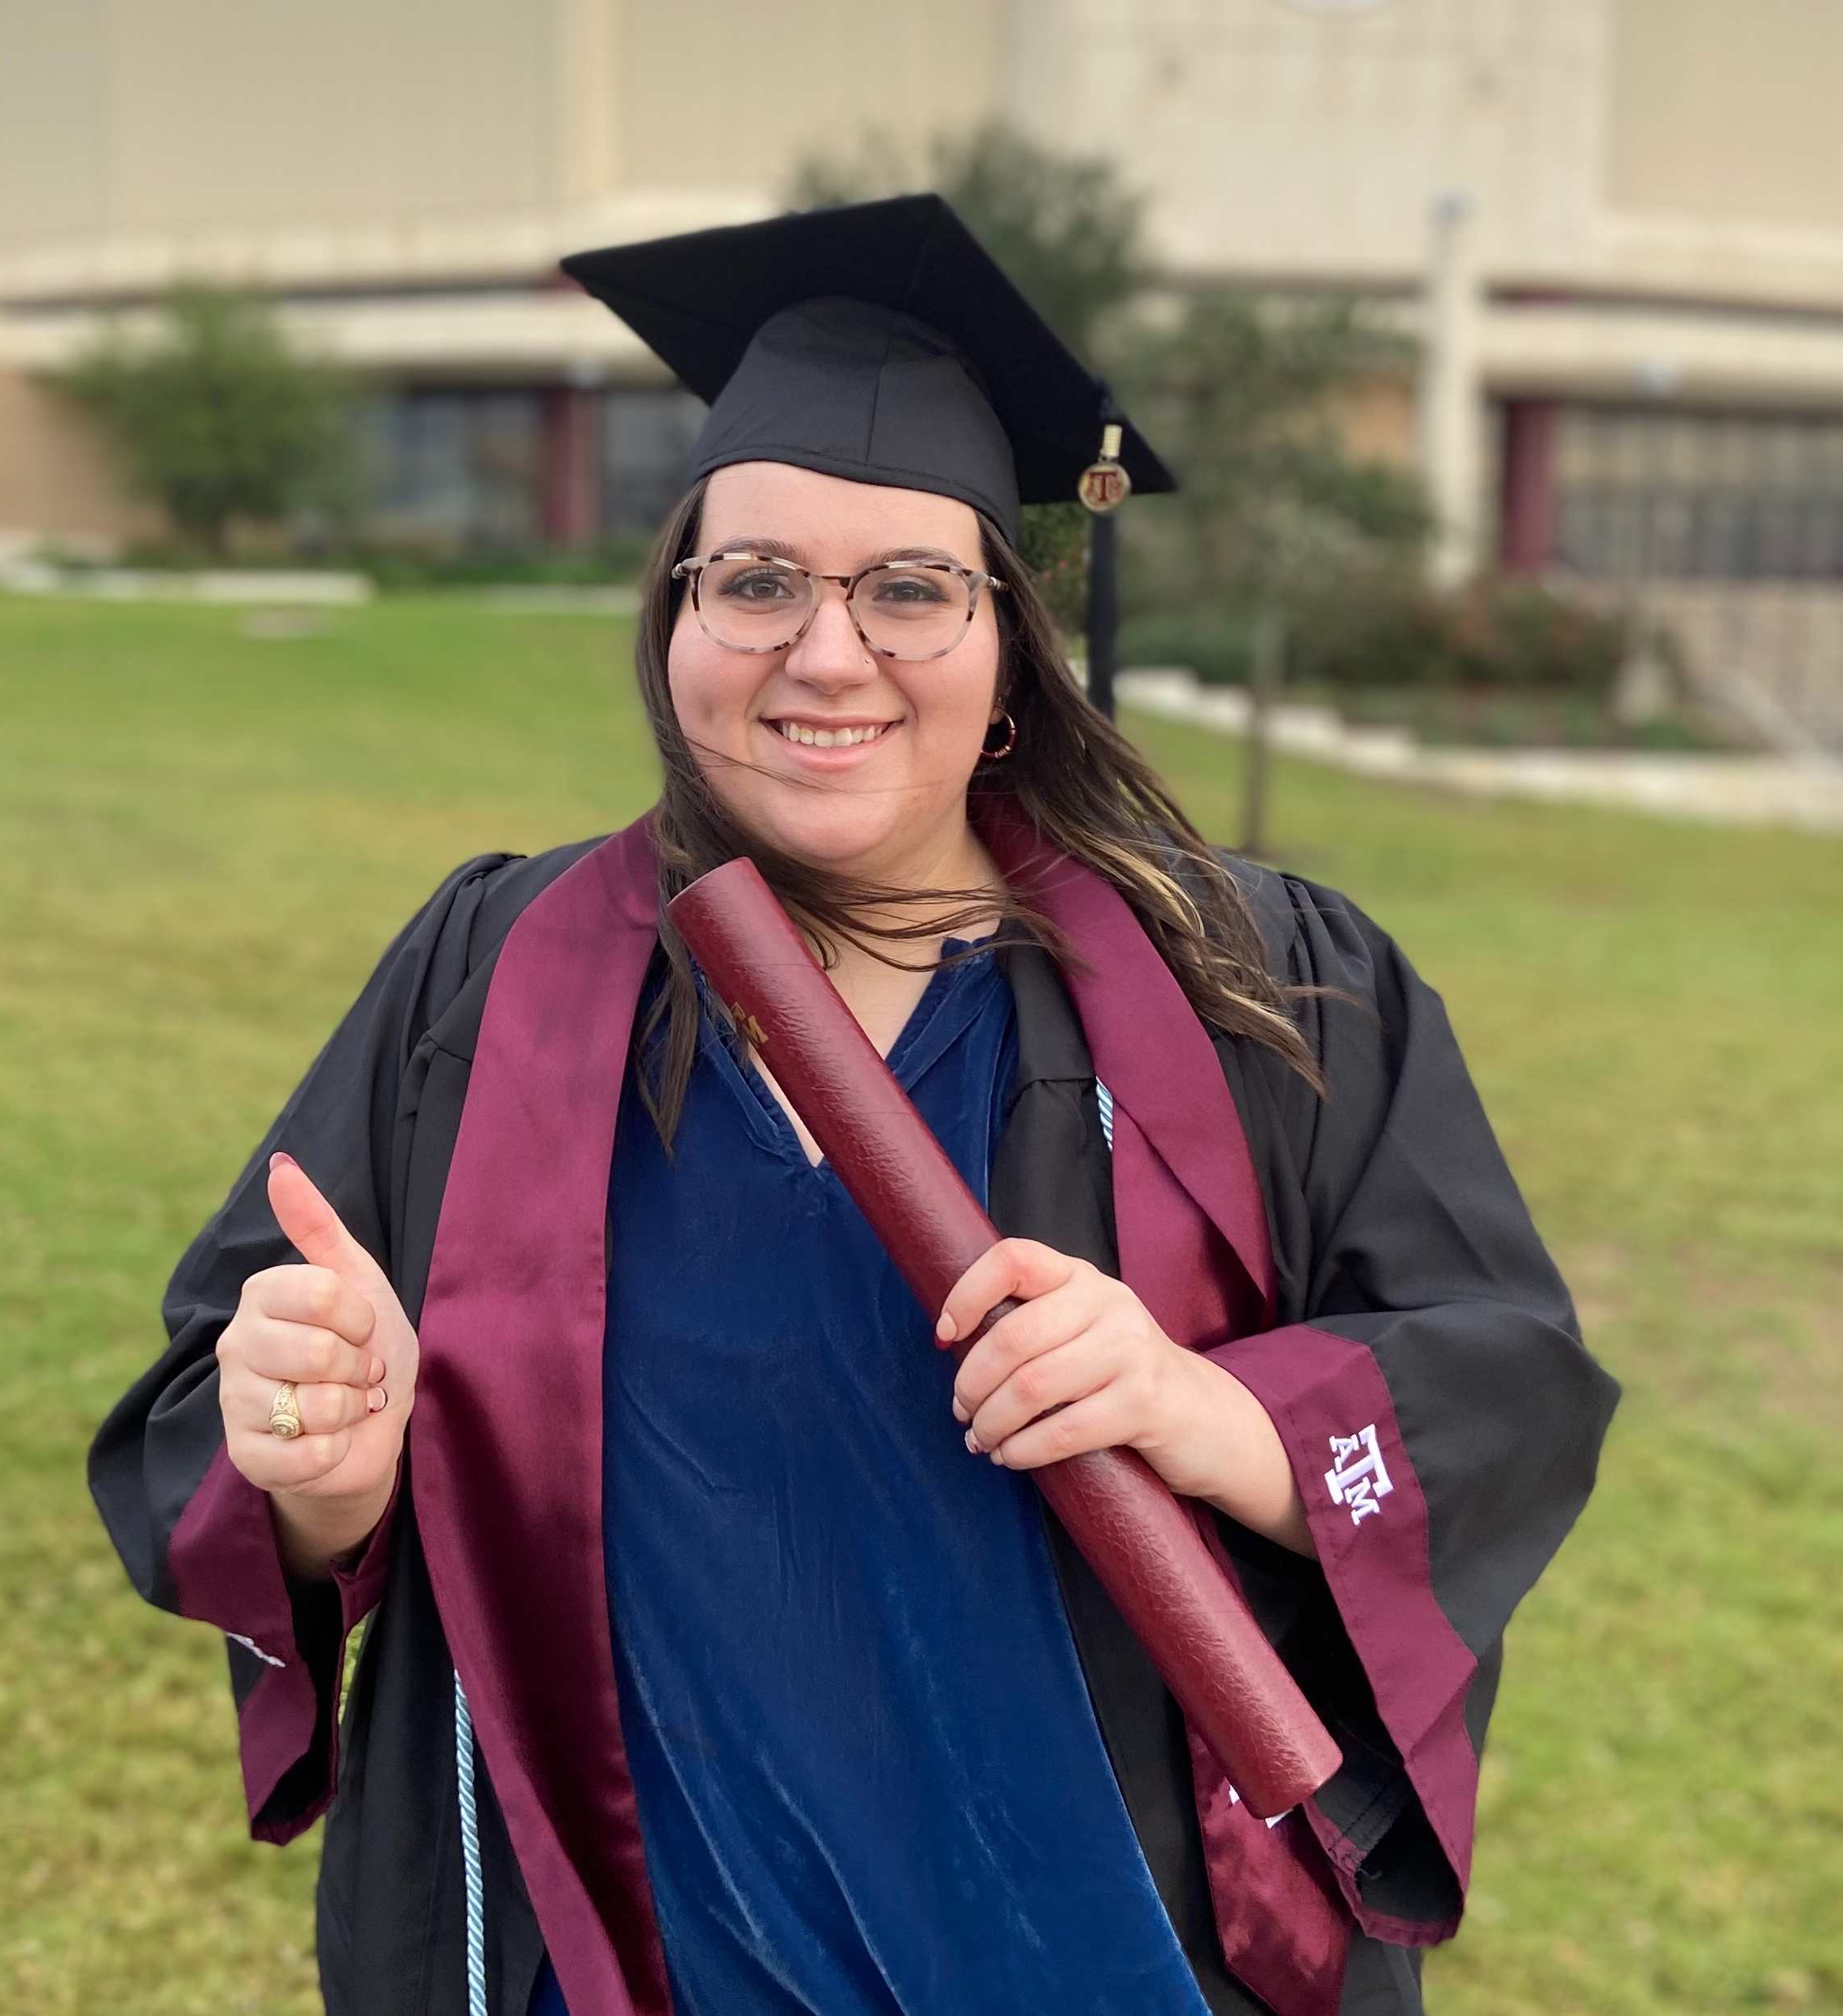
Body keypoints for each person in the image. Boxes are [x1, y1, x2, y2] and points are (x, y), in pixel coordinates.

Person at [90, 197, 1617, 2016]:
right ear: (674, 619)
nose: (825, 653)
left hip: (1093, 1950)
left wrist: (1209, 1408)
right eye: (754, 580)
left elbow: (1498, 1371)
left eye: (906, 586)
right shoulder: (488, 977)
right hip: (632, 1954)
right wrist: (319, 1470)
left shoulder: (1267, 988)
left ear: (1005, 647)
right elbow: (222, 1413)